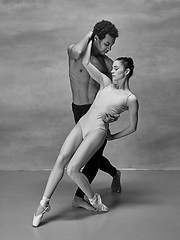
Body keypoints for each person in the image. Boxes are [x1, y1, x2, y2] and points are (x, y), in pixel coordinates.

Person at [32, 39, 139, 227]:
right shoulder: (105, 82)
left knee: (72, 169)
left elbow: (133, 127)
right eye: (112, 68)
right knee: (61, 159)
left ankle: (93, 199)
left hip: (97, 130)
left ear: (126, 71)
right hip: (83, 123)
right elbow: (85, 62)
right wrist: (91, 37)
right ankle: (44, 203)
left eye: (116, 68)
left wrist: (113, 136)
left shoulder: (130, 98)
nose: (111, 71)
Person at [67, 20, 121, 211]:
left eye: (111, 45)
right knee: (92, 157)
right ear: (95, 38)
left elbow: (116, 91)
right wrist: (90, 33)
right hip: (79, 111)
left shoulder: (107, 63)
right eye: (106, 43)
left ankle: (79, 197)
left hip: (98, 113)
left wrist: (114, 113)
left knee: (93, 157)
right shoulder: (76, 52)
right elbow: (75, 52)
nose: (109, 49)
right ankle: (115, 173)